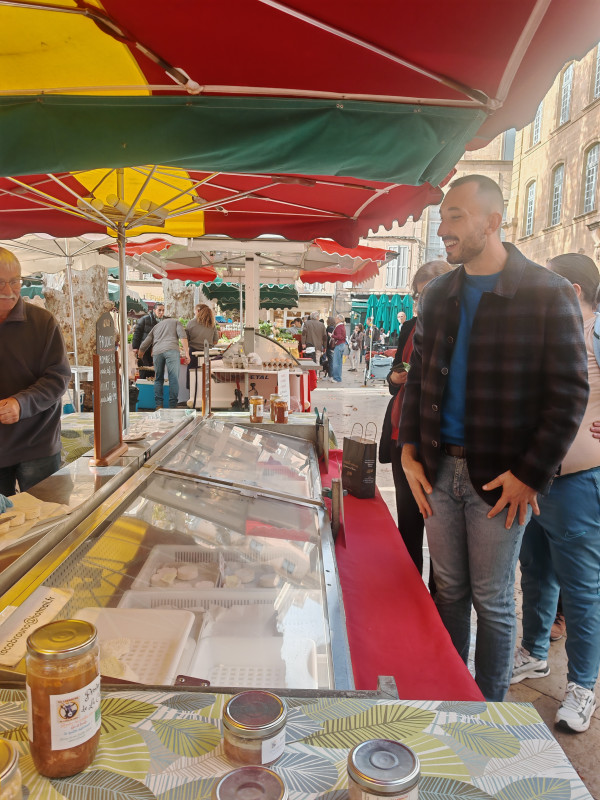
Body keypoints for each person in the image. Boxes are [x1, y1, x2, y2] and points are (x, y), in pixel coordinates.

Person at [399, 175, 588, 702]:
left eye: (456, 217)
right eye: (442, 219)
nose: (444, 229)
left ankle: (488, 712)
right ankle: (450, 695)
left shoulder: (547, 293)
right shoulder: (439, 294)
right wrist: (409, 450)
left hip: (503, 477)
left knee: (495, 599)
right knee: (449, 591)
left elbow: (568, 394)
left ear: (493, 221)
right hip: (438, 470)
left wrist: (533, 474)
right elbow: (419, 377)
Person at [511, 253, 600, 733]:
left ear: (573, 288)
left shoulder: (594, 333)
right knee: (536, 570)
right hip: (533, 480)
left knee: (583, 590)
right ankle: (534, 653)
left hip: (578, 485)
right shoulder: (546, 336)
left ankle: (583, 685)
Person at [382, 261, 452, 594]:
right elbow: (397, 371)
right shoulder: (410, 326)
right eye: (420, 295)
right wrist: (394, 377)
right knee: (408, 521)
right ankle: (410, 593)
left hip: (437, 438)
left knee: (438, 526)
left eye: (430, 294)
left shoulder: (459, 328)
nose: (423, 302)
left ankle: (438, 599)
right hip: (401, 432)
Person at [0, 247, 71, 495]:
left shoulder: (43, 322)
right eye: (0, 283)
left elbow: (59, 378)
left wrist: (21, 404)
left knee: (47, 521)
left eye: (14, 282)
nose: (8, 291)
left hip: (37, 443)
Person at [139, 314, 190, 409]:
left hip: (157, 352)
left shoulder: (156, 326)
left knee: (158, 379)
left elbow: (145, 343)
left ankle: (159, 405)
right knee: (173, 379)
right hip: (172, 350)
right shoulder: (176, 322)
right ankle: (172, 406)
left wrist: (140, 355)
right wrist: (187, 353)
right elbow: (182, 337)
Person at [186, 304, 218, 388]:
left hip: (193, 353)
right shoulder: (212, 324)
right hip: (208, 354)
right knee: (207, 378)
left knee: (192, 377)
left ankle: (193, 397)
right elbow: (215, 341)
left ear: (198, 311)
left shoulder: (191, 323)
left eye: (195, 311)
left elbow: (186, 339)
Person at [131, 302, 165, 373]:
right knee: (144, 370)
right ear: (154, 310)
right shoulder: (144, 319)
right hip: (144, 350)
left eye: (163, 310)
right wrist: (135, 347)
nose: (161, 312)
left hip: (156, 351)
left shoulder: (164, 322)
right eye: (159, 310)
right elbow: (137, 334)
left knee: (153, 371)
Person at [329, 314, 347, 383]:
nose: (335, 319)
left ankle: (336, 378)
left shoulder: (339, 326)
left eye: (336, 318)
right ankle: (338, 377)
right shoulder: (342, 326)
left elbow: (339, 336)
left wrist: (331, 335)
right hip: (342, 344)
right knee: (339, 363)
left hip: (339, 345)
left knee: (336, 363)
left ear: (339, 319)